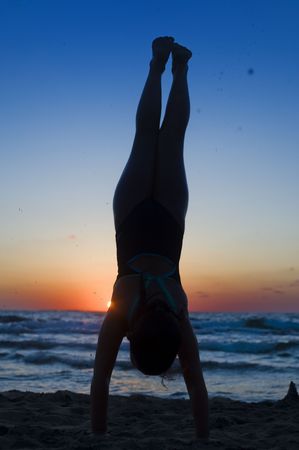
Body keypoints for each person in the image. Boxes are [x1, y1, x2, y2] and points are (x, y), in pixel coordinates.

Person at [90, 36, 209, 439]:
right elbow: (100, 384)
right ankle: (157, 64)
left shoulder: (179, 315)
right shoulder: (120, 314)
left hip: (169, 220)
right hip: (133, 216)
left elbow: (196, 386)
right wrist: (98, 435)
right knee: (148, 135)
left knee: (170, 137)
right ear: (132, 339)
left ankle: (178, 67)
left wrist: (204, 438)